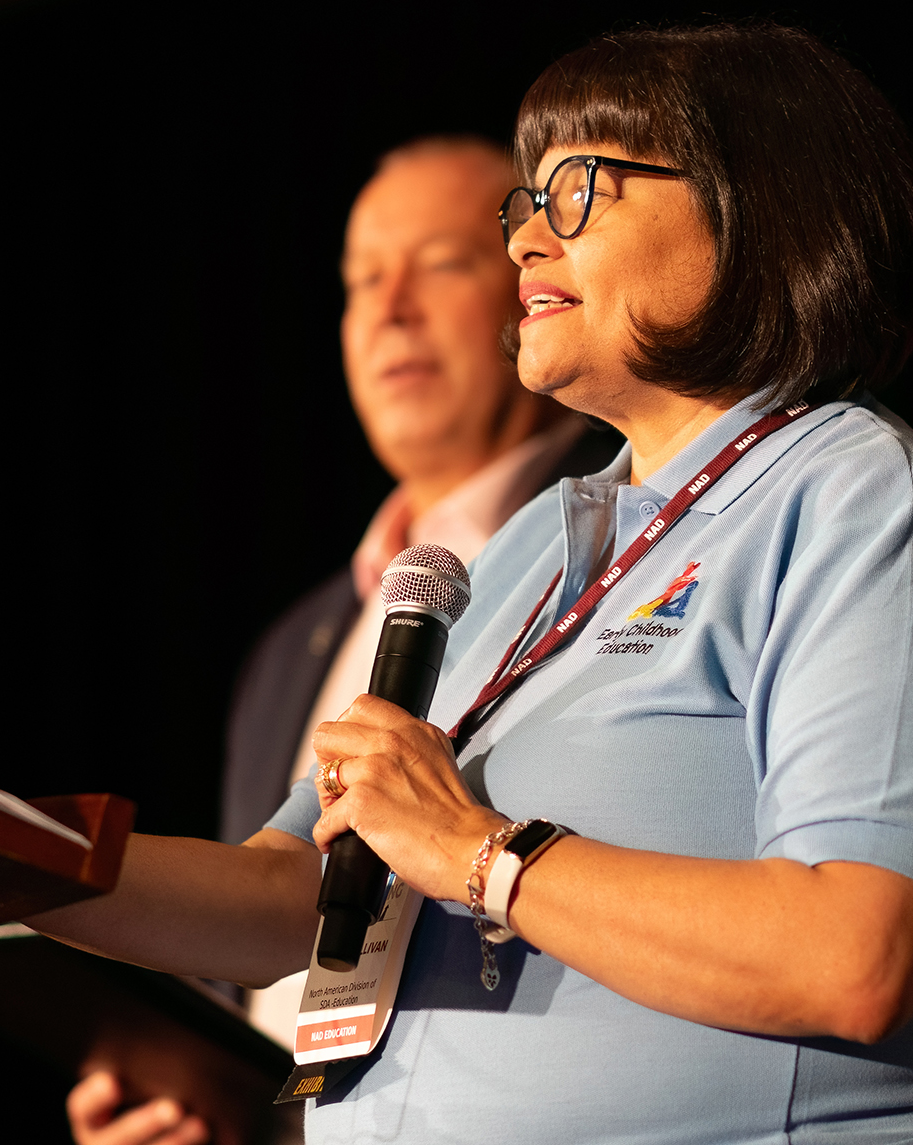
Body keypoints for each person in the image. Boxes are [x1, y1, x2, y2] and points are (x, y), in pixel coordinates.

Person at [32, 21, 913, 1144]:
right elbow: (286, 897)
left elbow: (855, 954)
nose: (528, 238)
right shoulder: (537, 545)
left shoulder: (873, 510)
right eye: (522, 203)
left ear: (762, 204)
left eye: (577, 190)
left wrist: (482, 855)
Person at [65, 136, 617, 1144]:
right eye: (363, 280)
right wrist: (200, 1099)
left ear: (538, 287)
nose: (390, 308)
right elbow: (277, 911)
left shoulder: (622, 544)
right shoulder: (294, 647)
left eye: (440, 264)